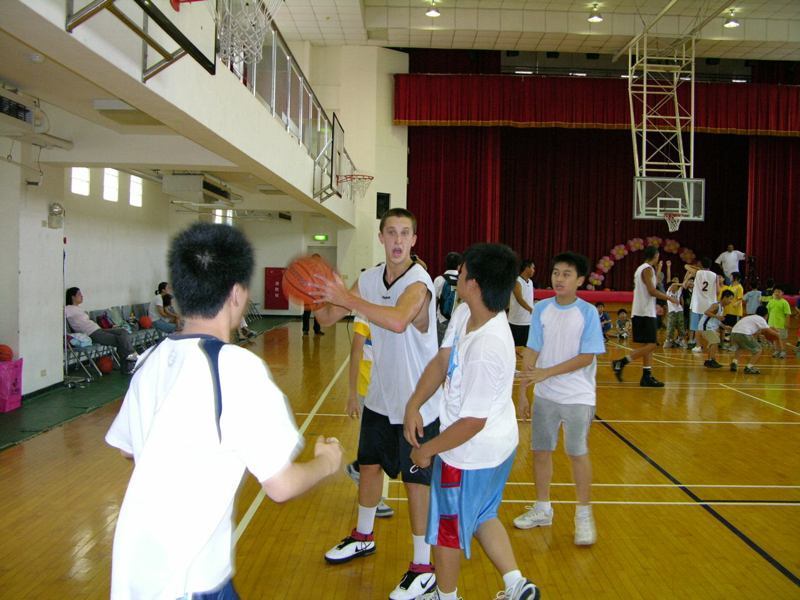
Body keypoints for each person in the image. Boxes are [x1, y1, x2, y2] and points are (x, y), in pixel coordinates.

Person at [105, 223, 343, 599]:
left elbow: (126, 447)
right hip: (191, 581)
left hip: (135, 573)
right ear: (236, 294)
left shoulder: (151, 359)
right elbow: (281, 486)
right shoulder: (234, 367)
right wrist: (327, 462)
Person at [312, 208, 442, 600]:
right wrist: (314, 292)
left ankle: (423, 566)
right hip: (382, 398)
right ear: (382, 237)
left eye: (405, 233)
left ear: (414, 240)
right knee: (368, 466)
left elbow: (399, 320)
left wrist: (349, 297)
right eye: (391, 232)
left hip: (419, 403)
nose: (398, 240)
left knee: (416, 482)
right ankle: (363, 535)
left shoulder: (419, 283)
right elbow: (326, 319)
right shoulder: (368, 279)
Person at [403, 243, 540, 600]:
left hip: (469, 453)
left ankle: (445, 596)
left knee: (446, 529)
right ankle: (516, 585)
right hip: (498, 444)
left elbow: (471, 423)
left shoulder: (488, 347)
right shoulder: (467, 313)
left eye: (462, 273)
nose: (457, 276)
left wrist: (427, 451)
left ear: (474, 284)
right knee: (481, 514)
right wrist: (414, 403)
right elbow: (441, 360)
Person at [514, 252, 605, 547]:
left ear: (579, 280)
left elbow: (587, 356)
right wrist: (523, 393)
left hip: (578, 395)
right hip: (545, 395)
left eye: (567, 274)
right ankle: (542, 508)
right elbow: (531, 352)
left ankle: (583, 514)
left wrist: (547, 372)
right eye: (555, 272)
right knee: (541, 451)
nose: (559, 278)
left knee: (577, 452)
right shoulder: (541, 309)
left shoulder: (588, 313)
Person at [343, 314, 394, 518]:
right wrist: (352, 394)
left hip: (388, 389)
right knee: (377, 445)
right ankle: (374, 498)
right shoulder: (364, 314)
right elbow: (356, 352)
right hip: (368, 390)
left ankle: (357, 468)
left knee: (385, 443)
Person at [612, 246, 678, 387]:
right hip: (644, 312)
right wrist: (669, 298)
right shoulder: (647, 269)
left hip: (643, 311)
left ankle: (646, 376)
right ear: (655, 255)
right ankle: (621, 362)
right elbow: (652, 290)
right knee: (652, 345)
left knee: (648, 345)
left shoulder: (642, 269)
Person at [64, 287, 137, 372]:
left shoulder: (78, 308)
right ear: (73, 297)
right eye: (79, 294)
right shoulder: (68, 308)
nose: (82, 296)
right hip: (92, 333)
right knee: (121, 340)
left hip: (98, 329)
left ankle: (129, 361)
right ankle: (131, 359)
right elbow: (58, 314)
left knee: (123, 331)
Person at [729, 306, 776, 374]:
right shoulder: (761, 319)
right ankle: (749, 367)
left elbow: (755, 331)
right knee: (758, 349)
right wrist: (778, 335)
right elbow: (768, 331)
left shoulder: (750, 317)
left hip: (733, 333)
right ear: (766, 315)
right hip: (743, 333)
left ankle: (734, 362)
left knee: (740, 346)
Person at [699, 289, 734, 369]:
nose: (730, 301)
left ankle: (709, 360)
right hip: (706, 327)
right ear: (725, 297)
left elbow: (716, 321)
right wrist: (717, 316)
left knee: (713, 342)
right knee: (715, 341)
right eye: (730, 299)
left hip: (710, 327)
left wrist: (724, 327)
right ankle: (711, 360)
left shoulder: (722, 308)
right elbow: (706, 312)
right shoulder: (716, 305)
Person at [433, 252, 461, 345]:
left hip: (442, 320)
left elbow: (433, 302)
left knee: (440, 350)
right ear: (459, 266)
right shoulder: (462, 281)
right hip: (459, 322)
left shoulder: (439, 280)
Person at [508, 259, 536, 349]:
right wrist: (530, 309)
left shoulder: (530, 282)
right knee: (515, 348)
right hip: (516, 321)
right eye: (533, 268)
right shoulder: (517, 281)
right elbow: (519, 299)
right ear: (527, 268)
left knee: (525, 348)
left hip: (528, 322)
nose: (534, 270)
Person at [766, 286, 792, 358]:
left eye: (779, 292)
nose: (777, 293)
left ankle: (783, 351)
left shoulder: (785, 303)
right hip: (771, 324)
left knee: (782, 338)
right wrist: (765, 322)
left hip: (781, 324)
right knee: (774, 338)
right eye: (775, 291)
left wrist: (787, 323)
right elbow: (767, 312)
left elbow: (788, 314)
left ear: (782, 293)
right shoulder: (771, 301)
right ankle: (776, 350)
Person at [720, 272, 744, 346]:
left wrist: (736, 303)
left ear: (735, 278)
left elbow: (740, 299)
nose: (730, 277)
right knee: (722, 328)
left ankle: (733, 345)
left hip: (735, 312)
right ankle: (722, 344)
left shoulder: (739, 287)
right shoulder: (730, 286)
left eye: (731, 276)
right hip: (726, 311)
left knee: (733, 329)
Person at [663, 278, 685, 348]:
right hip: (671, 312)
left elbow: (685, 281)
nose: (675, 286)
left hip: (679, 311)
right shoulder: (668, 292)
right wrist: (681, 284)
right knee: (670, 326)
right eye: (674, 285)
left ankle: (680, 339)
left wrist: (689, 274)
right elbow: (673, 284)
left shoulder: (678, 292)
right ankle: (669, 340)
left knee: (681, 326)